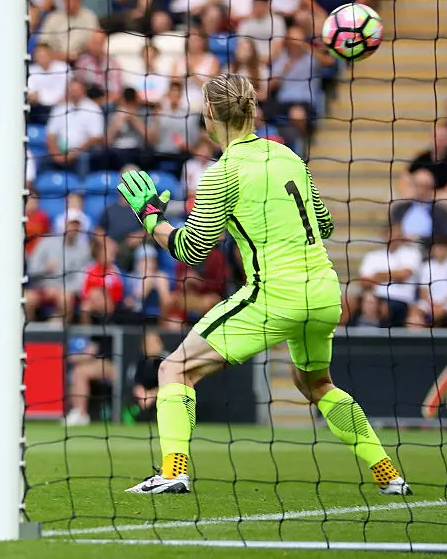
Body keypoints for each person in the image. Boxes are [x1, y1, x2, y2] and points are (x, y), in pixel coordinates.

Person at [119, 73, 411, 496]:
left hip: (276, 294)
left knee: (174, 368)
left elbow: (191, 251)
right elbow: (324, 223)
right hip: (325, 291)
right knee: (315, 384)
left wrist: (151, 218)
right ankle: (388, 474)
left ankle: (173, 471)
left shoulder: (223, 172)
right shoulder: (288, 156)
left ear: (210, 115)